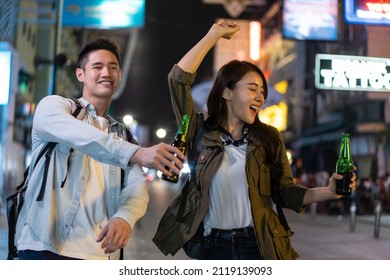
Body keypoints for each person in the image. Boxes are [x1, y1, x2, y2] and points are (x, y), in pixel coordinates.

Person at [153, 20, 357, 260]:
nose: (260, 97)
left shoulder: (269, 137)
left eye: (262, 91)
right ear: (227, 92)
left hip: (258, 246)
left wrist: (328, 192)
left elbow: (285, 192)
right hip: (212, 247)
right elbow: (177, 80)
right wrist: (213, 35)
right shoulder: (199, 131)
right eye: (252, 89)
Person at [15, 38, 185, 260]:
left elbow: (137, 184)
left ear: (119, 75)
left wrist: (125, 216)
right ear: (80, 74)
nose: (106, 72)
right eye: (97, 66)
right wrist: (137, 153)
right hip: (44, 247)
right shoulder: (54, 108)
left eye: (113, 67)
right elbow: (85, 137)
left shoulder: (124, 136)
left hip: (98, 254)